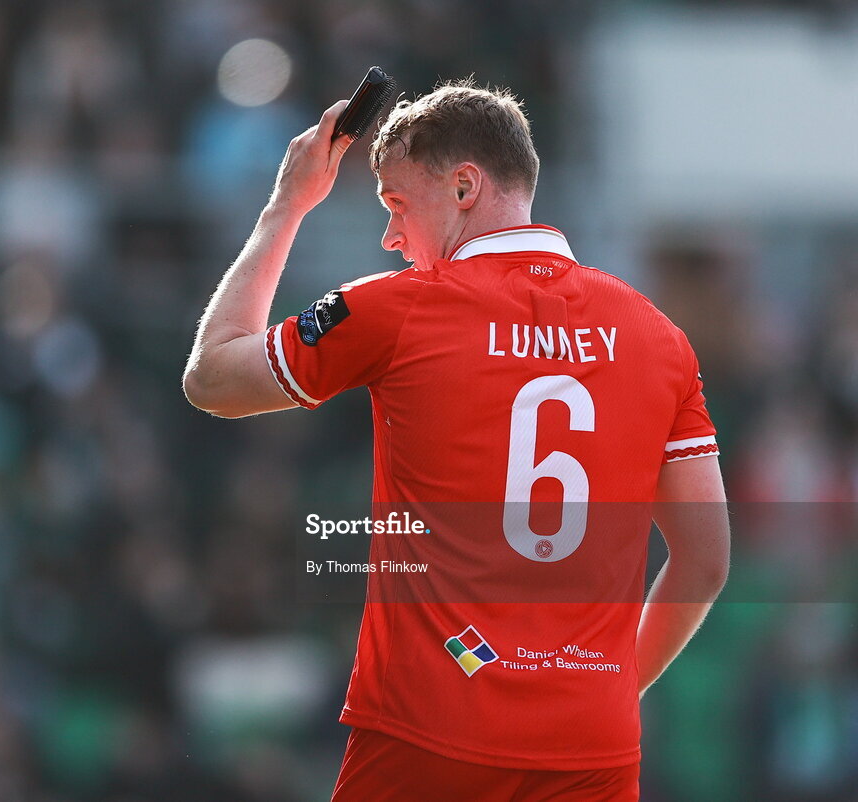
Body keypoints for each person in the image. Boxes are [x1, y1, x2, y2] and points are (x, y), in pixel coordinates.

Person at [183, 80, 730, 801]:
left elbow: (213, 378)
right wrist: (611, 689)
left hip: (426, 734)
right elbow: (706, 561)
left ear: (465, 186)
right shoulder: (658, 338)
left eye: (395, 205)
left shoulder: (399, 308)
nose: (390, 237)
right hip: (589, 750)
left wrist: (287, 204)